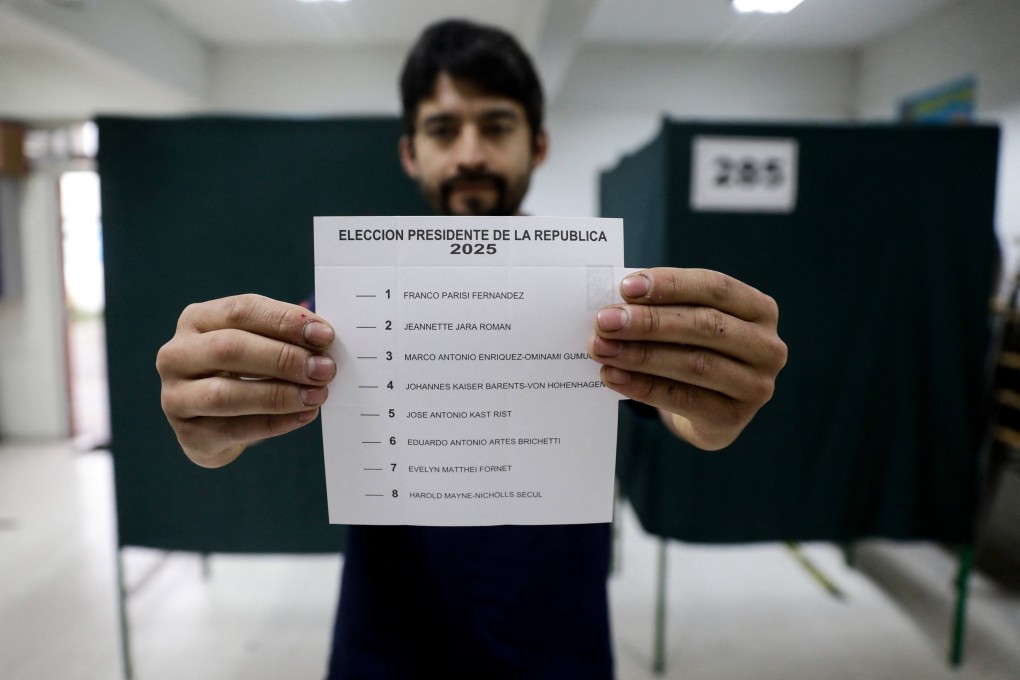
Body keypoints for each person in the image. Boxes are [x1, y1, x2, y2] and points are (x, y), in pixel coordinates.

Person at [156, 19, 787, 679]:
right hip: (389, 644)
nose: (470, 154)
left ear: (537, 145)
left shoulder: (597, 295)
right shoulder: (357, 299)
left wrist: (715, 405)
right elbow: (254, 396)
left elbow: (677, 413)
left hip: (556, 643)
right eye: (442, 129)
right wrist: (208, 428)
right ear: (409, 153)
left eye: (496, 126)